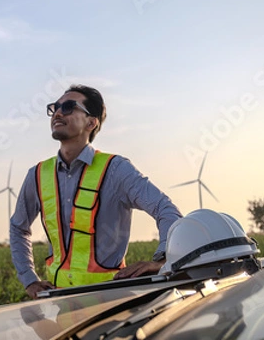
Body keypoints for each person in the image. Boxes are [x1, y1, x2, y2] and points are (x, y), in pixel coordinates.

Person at [10, 84, 183, 299]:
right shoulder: (37, 174)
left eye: (69, 107)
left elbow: (165, 209)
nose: (58, 112)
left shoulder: (116, 170)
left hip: (110, 305)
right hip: (57, 304)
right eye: (55, 107)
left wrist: (161, 260)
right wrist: (29, 280)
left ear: (92, 122)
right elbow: (18, 227)